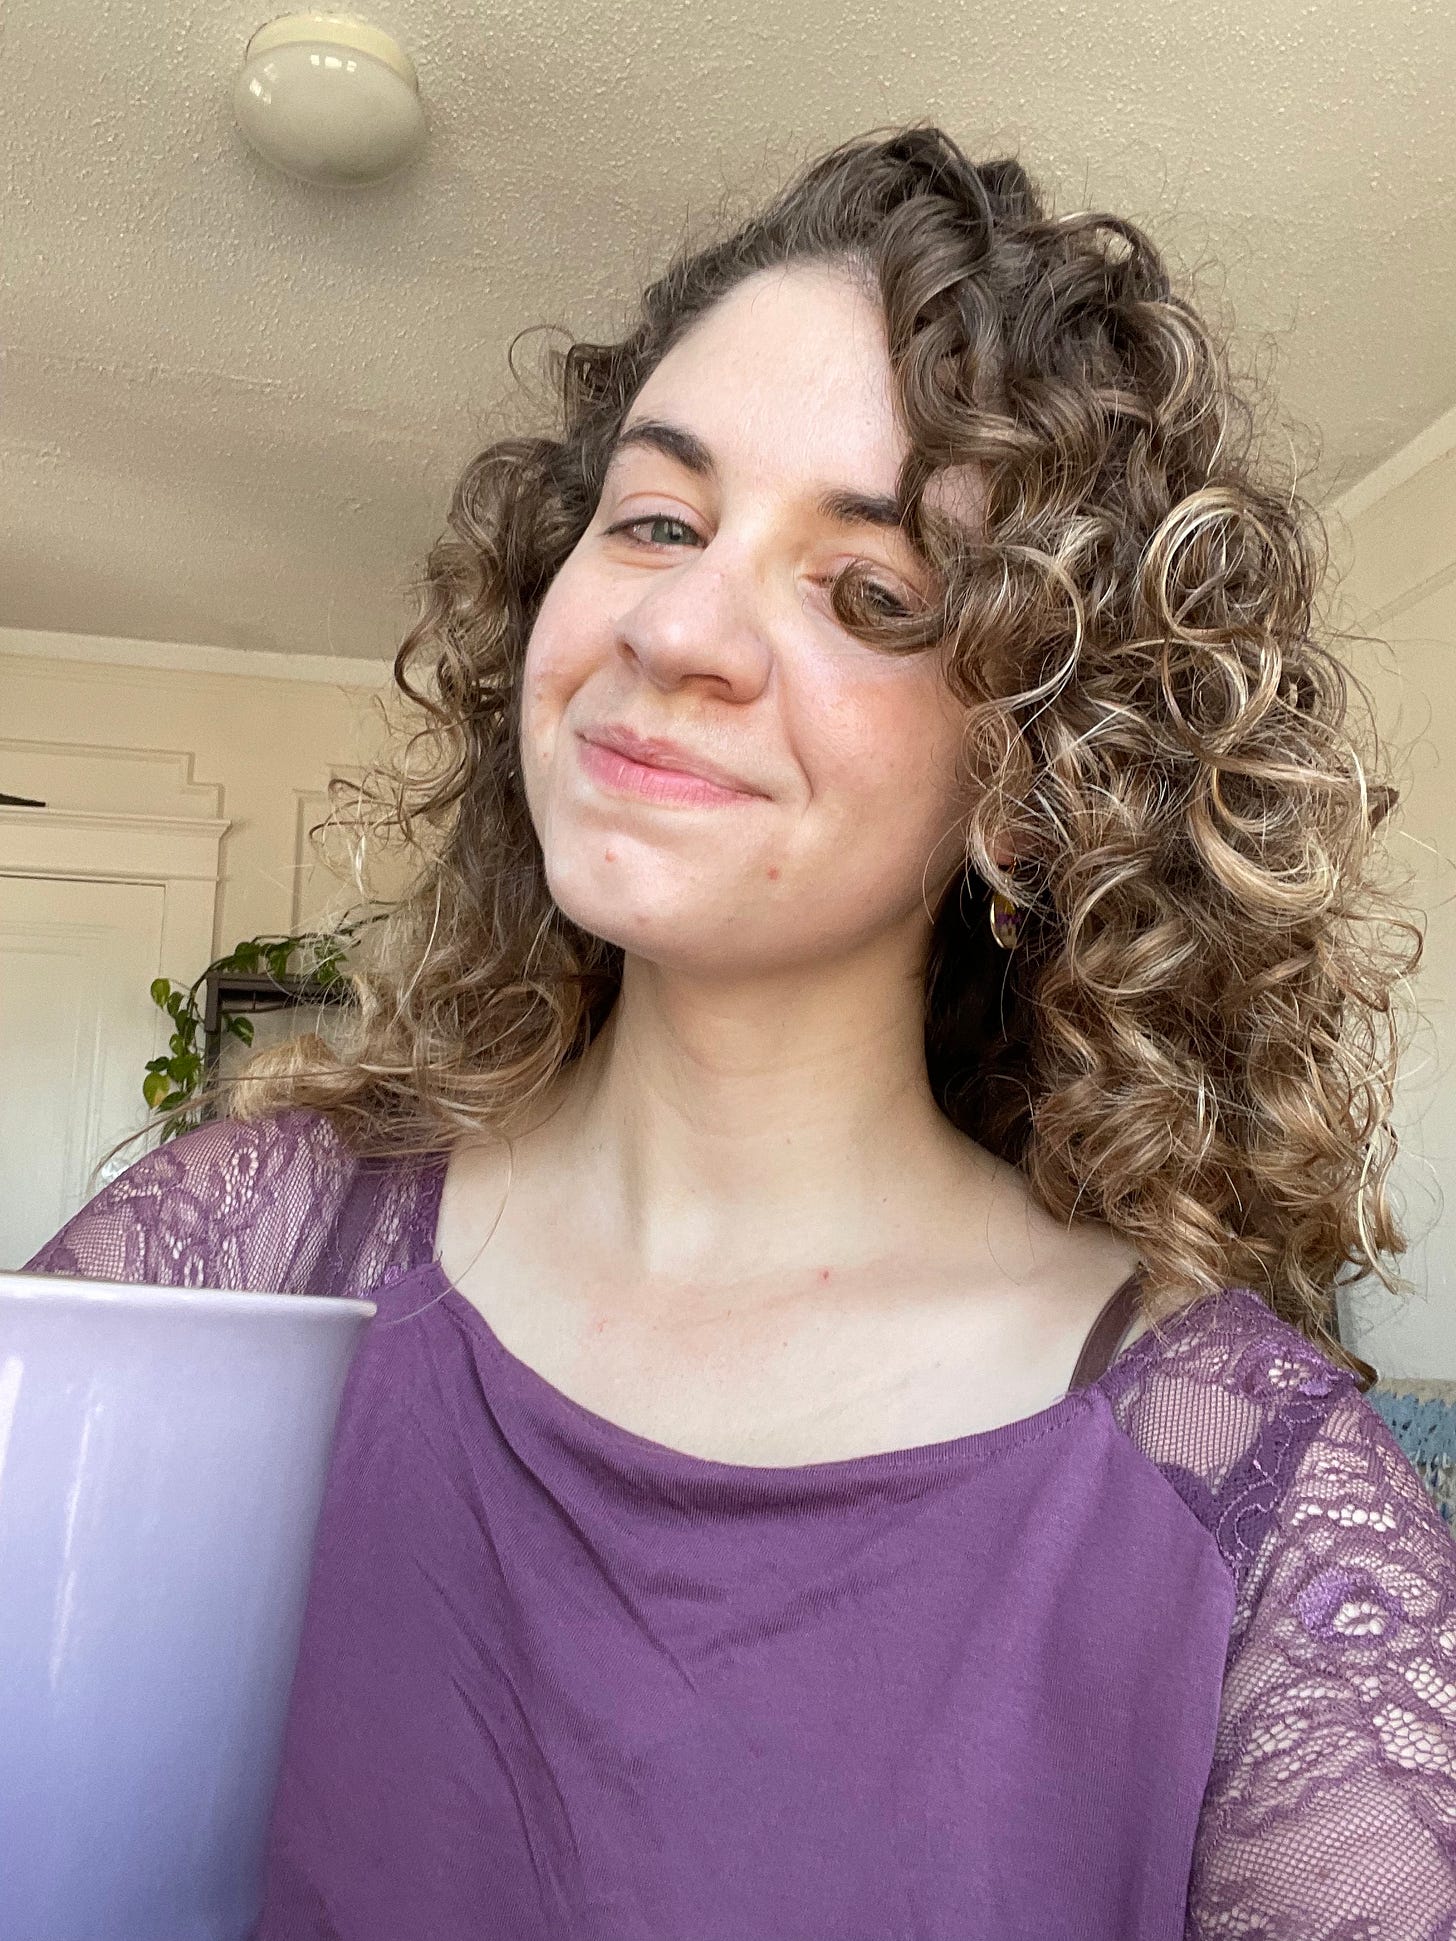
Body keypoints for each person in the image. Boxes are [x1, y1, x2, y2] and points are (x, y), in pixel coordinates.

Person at [27, 125, 1456, 1938]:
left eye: (870, 594)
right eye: (657, 518)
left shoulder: (1255, 1506)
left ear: (1035, 781)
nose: (683, 627)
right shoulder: (229, 1257)